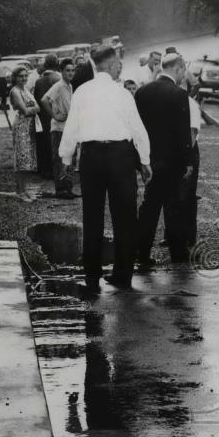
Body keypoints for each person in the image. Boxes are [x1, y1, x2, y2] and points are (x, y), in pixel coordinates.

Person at [59, 45, 152, 291]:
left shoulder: (81, 91)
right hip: (120, 156)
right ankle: (123, 274)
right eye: (118, 63)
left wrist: (66, 160)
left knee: (92, 214)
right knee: (124, 217)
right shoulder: (123, 94)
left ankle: (92, 273)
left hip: (91, 156)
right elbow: (137, 129)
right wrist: (145, 161)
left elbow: (71, 128)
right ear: (110, 65)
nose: (120, 66)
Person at [134, 53, 193, 266]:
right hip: (172, 160)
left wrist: (139, 161)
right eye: (183, 69)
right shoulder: (179, 94)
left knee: (149, 206)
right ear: (177, 68)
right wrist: (187, 162)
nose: (183, 74)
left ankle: (141, 252)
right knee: (173, 206)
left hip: (150, 159)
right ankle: (178, 253)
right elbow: (183, 132)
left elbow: (136, 128)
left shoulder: (142, 92)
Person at [41, 58, 76, 198]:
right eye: (67, 70)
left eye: (73, 70)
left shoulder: (69, 86)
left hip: (68, 128)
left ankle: (68, 188)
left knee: (69, 157)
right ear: (61, 71)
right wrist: (54, 115)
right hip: (58, 128)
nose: (70, 73)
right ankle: (60, 189)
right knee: (60, 158)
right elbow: (44, 100)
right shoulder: (59, 85)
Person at [9, 65, 40, 201]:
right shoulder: (15, 91)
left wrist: (31, 108)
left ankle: (25, 189)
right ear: (15, 78)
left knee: (28, 159)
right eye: (21, 76)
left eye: (25, 76)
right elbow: (26, 111)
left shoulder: (26, 90)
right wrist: (31, 108)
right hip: (21, 126)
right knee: (21, 158)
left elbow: (38, 107)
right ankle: (20, 191)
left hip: (29, 126)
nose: (24, 78)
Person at [33, 54, 61, 177]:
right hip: (55, 114)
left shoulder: (39, 81)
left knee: (44, 141)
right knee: (55, 141)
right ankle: (55, 169)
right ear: (56, 64)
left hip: (43, 115)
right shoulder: (58, 78)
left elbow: (36, 100)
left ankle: (44, 169)